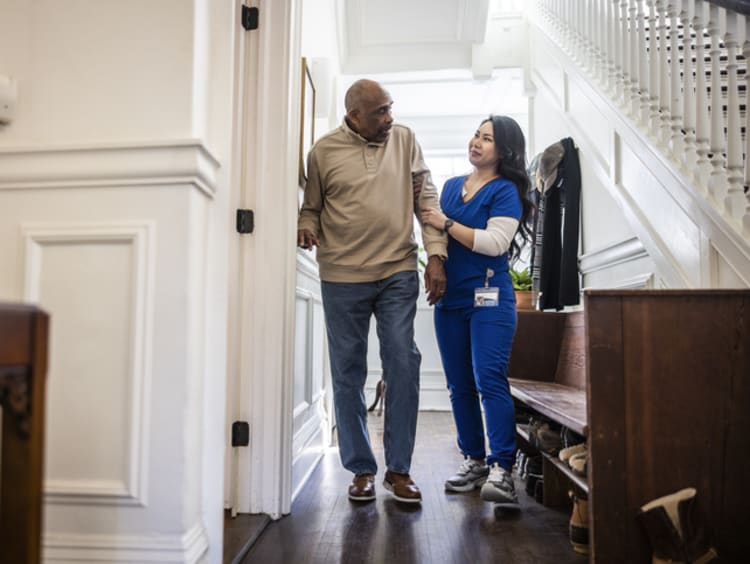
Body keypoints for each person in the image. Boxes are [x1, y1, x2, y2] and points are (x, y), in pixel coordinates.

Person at [298, 79, 448, 504]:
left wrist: (435, 254)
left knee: (403, 359)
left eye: (390, 108)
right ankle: (361, 468)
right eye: (380, 112)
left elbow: (427, 199)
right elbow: (311, 206)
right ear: (354, 117)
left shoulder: (404, 140)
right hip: (341, 274)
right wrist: (307, 224)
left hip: (397, 268)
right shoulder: (323, 152)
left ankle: (398, 470)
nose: (390, 118)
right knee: (347, 372)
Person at [420, 115, 532, 506]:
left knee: (490, 379)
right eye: (476, 135)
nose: (476, 143)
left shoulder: (505, 191)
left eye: (487, 138)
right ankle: (474, 460)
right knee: (459, 386)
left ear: (504, 150)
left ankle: (502, 468)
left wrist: (444, 222)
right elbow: (430, 228)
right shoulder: (450, 187)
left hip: (490, 300)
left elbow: (494, 243)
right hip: (450, 301)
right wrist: (434, 251)